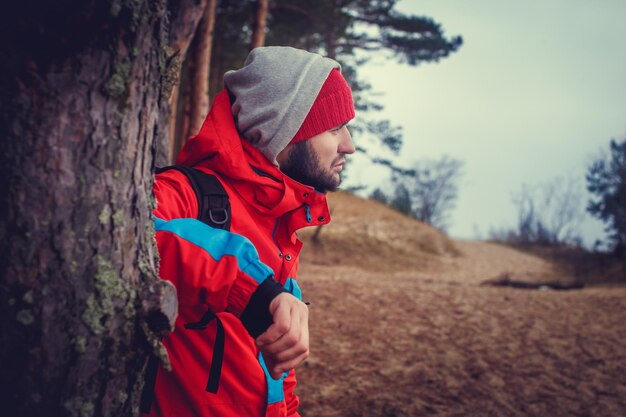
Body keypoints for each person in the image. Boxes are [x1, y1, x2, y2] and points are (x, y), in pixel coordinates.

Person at [145, 46, 356, 417]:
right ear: (282, 129)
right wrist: (255, 291)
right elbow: (141, 233)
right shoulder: (186, 193)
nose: (349, 146)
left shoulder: (281, 226)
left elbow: (278, 376)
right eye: (335, 126)